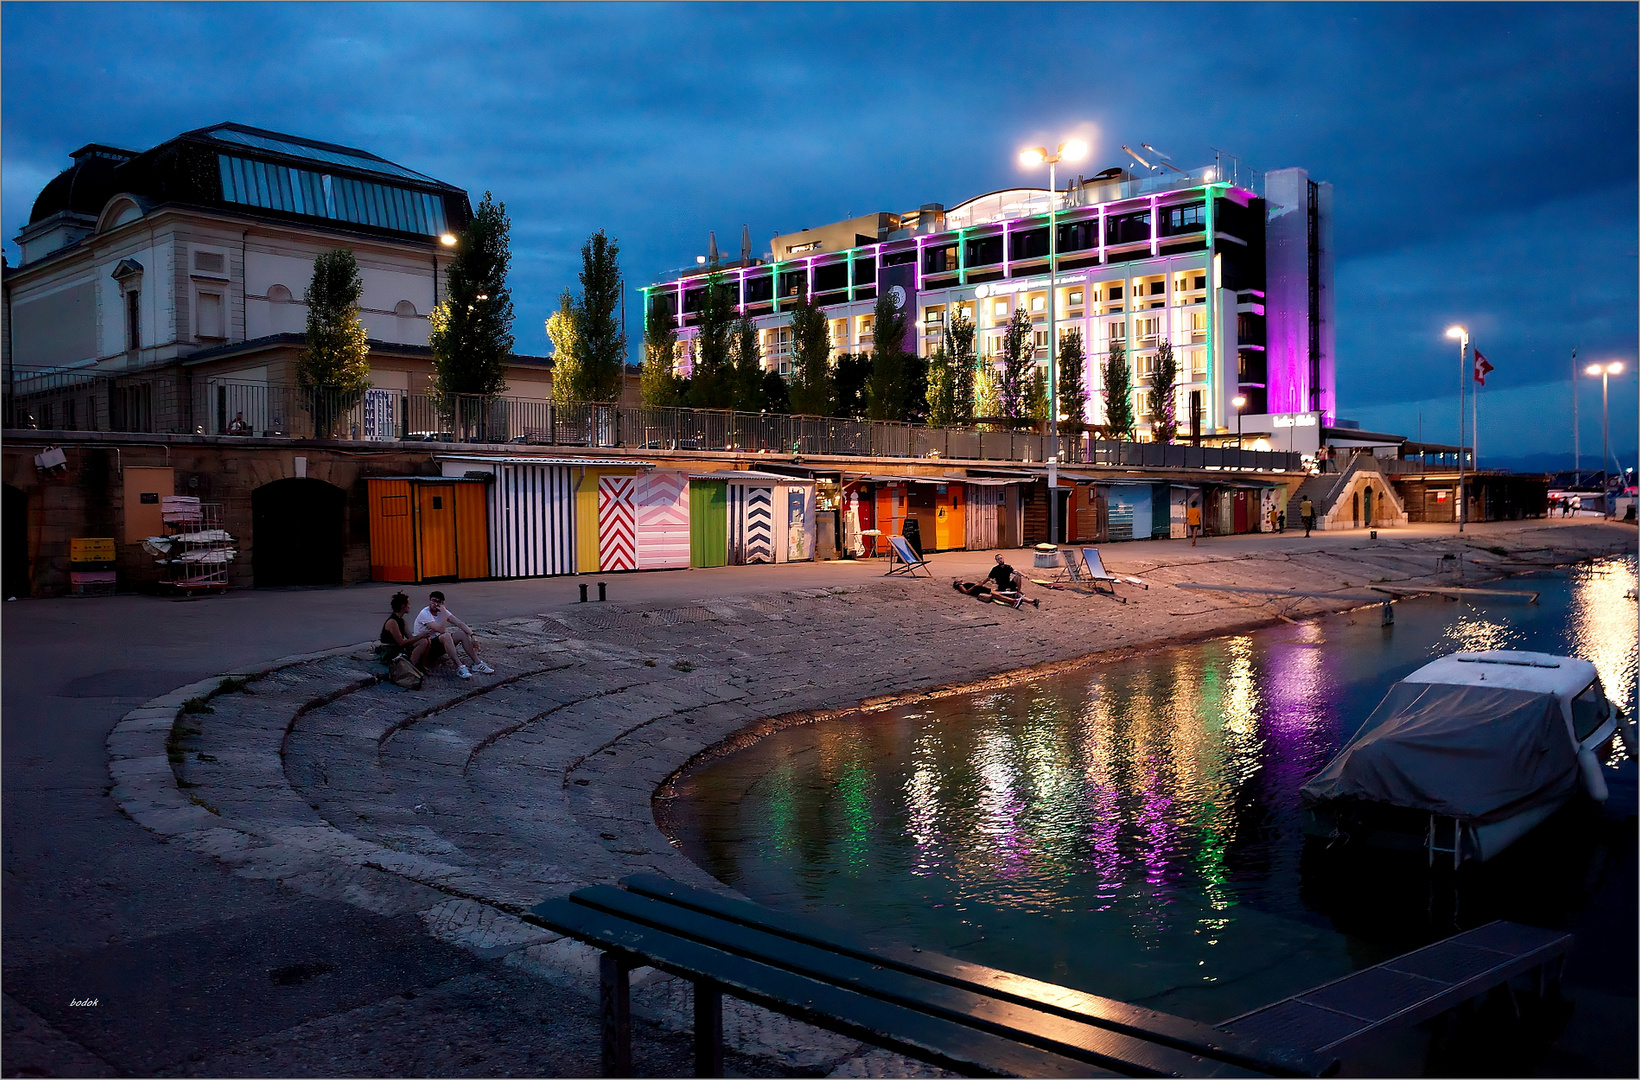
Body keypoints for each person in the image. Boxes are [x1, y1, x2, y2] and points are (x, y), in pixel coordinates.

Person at [413, 590, 494, 678]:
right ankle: (459, 666)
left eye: (438, 602)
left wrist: (472, 635)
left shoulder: (442, 611)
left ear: (442, 603)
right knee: (446, 635)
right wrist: (443, 613)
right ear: (430, 601)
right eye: (433, 601)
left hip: (434, 644)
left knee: (462, 634)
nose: (435, 604)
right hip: (425, 647)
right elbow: (441, 630)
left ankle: (477, 663)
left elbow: (459, 623)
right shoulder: (425, 613)